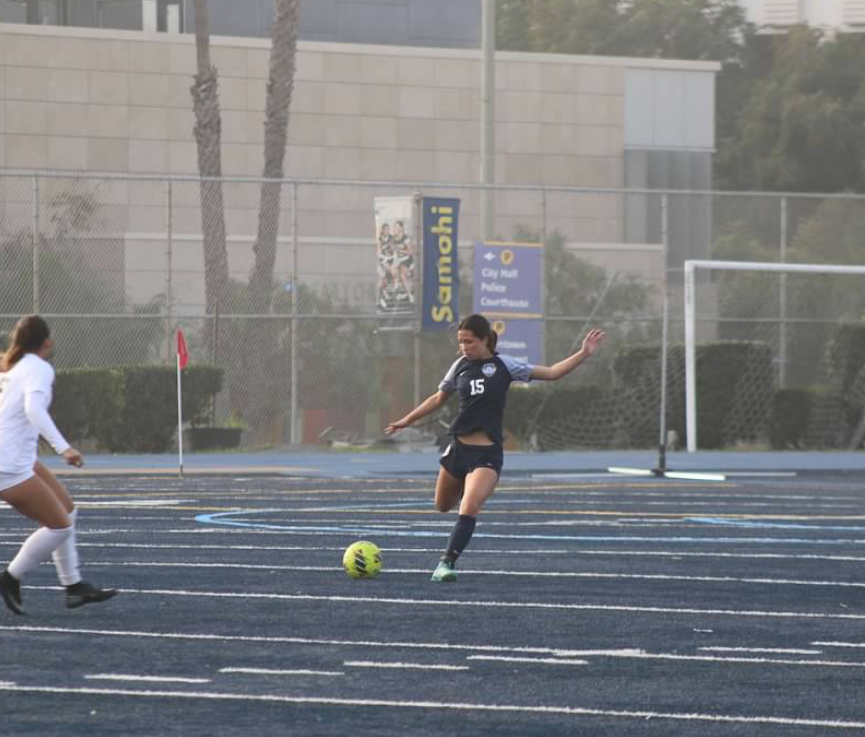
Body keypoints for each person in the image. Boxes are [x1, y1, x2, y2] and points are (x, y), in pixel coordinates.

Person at [385, 314, 606, 582]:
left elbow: (551, 373)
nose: (464, 347)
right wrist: (406, 421)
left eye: (469, 341)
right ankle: (466, 490)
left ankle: (446, 563)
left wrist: (584, 353)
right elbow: (438, 398)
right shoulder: (459, 366)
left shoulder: (505, 365)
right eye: (461, 342)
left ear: (485, 339)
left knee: (469, 505)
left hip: (486, 455)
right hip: (457, 450)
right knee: (442, 506)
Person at [0, 315, 116, 615]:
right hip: (9, 464)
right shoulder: (38, 367)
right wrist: (64, 448)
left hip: (16, 458)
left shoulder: (14, 367)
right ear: (47, 343)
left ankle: (73, 586)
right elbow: (33, 408)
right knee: (60, 527)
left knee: (67, 510)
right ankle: (10, 576)